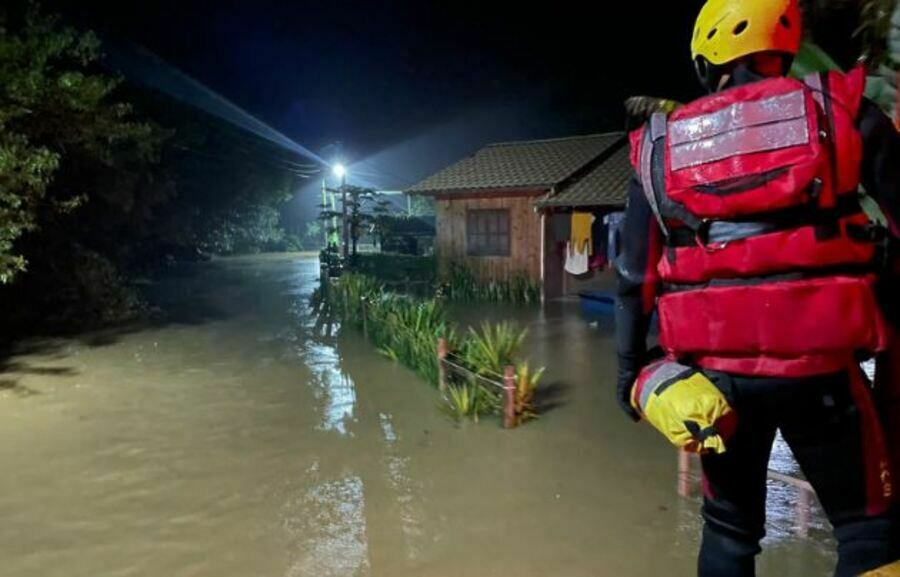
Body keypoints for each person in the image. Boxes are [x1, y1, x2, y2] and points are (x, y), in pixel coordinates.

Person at [615, 1, 900, 576]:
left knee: (729, 531)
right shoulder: (841, 109)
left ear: (706, 56)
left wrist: (629, 376)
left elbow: (634, 279)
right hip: (823, 375)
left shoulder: (658, 145)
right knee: (870, 531)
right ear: (787, 44)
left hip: (716, 385)